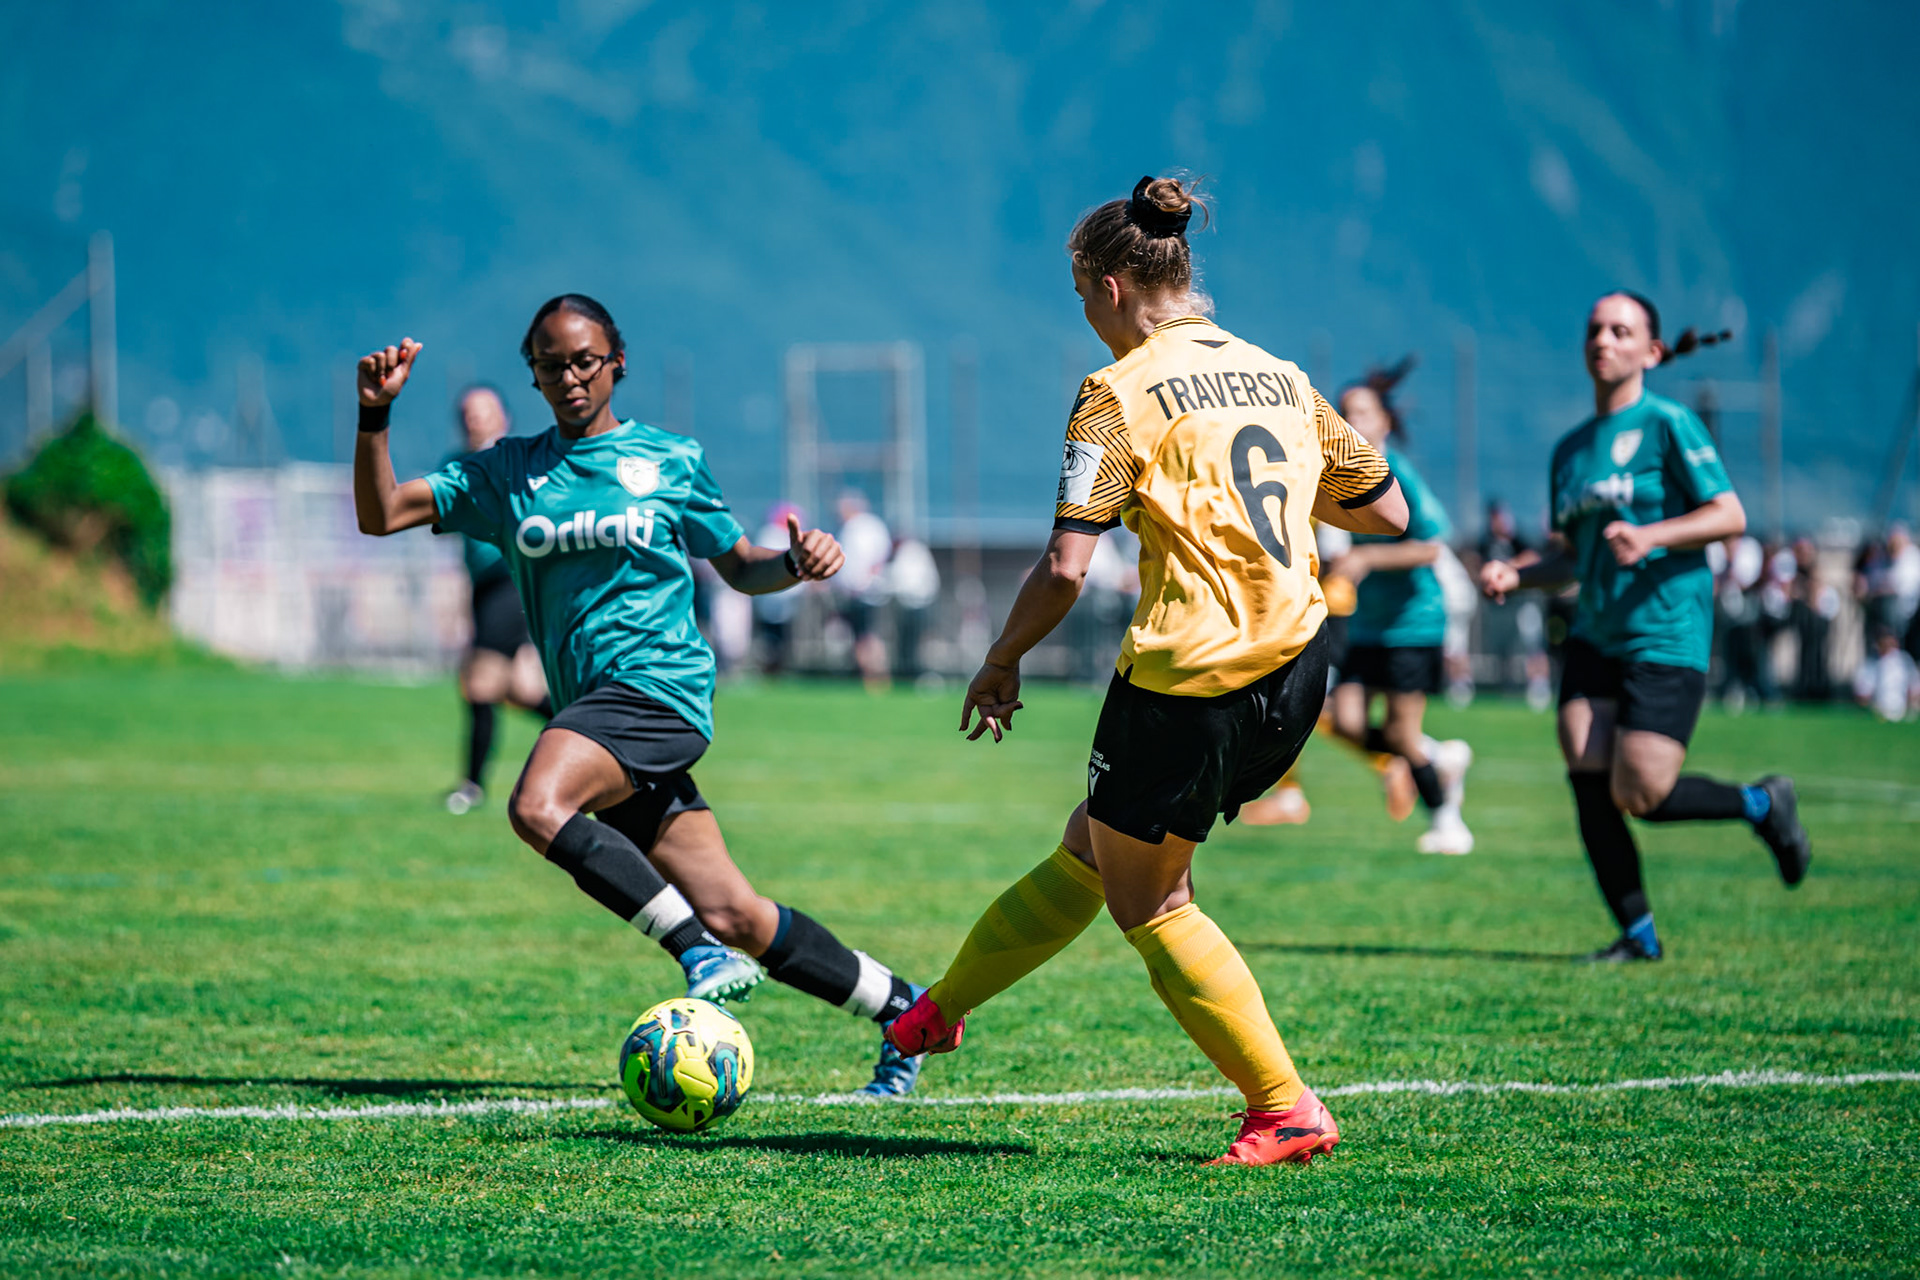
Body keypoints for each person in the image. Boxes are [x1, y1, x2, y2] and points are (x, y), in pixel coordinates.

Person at [885, 176, 1411, 1164]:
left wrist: (1000, 660)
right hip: (1297, 668)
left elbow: (1064, 566)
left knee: (1150, 898)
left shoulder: (1117, 394)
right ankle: (938, 1011)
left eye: (1083, 296)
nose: (1084, 317)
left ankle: (1283, 1104)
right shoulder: (1280, 376)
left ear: (1114, 284)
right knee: (1097, 843)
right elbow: (1384, 508)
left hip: (1191, 677)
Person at [351, 295, 927, 1096]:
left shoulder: (669, 460)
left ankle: (696, 953)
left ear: (616, 362)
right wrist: (373, 416)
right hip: (593, 713)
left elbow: (740, 564)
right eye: (551, 366)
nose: (570, 377)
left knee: (535, 805)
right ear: (536, 376)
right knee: (738, 912)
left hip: (659, 690)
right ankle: (908, 1013)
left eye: (585, 360)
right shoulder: (507, 473)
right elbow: (380, 514)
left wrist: (794, 563)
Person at [1480, 292, 1812, 962]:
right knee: (1583, 760)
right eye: (1595, 328)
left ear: (1651, 352)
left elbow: (1729, 515)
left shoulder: (1669, 425)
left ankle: (1762, 803)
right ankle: (1638, 934)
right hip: (1596, 632)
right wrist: (1518, 574)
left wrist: (1654, 535)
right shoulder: (1569, 451)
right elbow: (1573, 558)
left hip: (1665, 633)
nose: (1603, 339)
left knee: (1642, 792)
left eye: (1620, 330)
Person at [1323, 361, 1475, 854]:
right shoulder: (1344, 476)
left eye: (1363, 413)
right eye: (1345, 413)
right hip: (1369, 626)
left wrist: (1367, 556)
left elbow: (1433, 546)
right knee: (1343, 721)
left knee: (1400, 735)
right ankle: (1437, 757)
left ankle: (1448, 821)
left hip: (1414, 623)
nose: (1353, 423)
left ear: (1386, 422)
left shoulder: (1399, 474)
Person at [443, 385, 552, 815]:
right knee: (521, 690)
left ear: (503, 418)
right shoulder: (454, 465)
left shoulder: (518, 463)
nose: (476, 420)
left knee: (478, 683)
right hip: (482, 586)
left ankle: (471, 785)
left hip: (511, 580)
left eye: (484, 412)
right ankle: (592, 734)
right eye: (469, 413)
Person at [832, 490, 892, 690]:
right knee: (864, 635)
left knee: (865, 636)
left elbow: (875, 557)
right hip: (861, 590)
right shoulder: (870, 526)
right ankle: (872, 676)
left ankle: (873, 677)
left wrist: (863, 580)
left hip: (865, 591)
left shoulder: (861, 527)